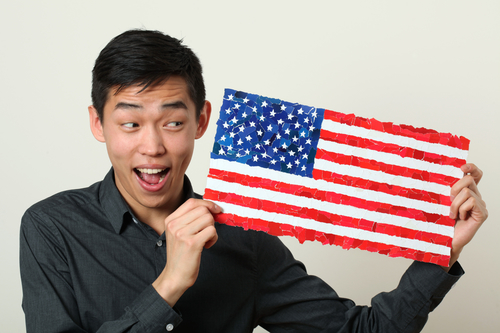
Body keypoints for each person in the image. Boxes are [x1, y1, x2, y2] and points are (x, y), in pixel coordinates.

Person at [20, 29, 488, 333]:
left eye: (173, 122)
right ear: (98, 125)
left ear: (202, 121)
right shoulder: (51, 228)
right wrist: (169, 285)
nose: (152, 146)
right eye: (130, 124)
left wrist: (441, 250)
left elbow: (357, 332)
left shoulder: (243, 235)